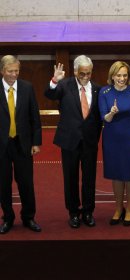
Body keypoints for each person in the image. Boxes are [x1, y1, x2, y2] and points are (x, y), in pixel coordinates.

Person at [44, 55, 102, 229]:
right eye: (82, 73)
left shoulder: (98, 89)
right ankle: (73, 213)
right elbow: (50, 94)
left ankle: (88, 211)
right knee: (70, 178)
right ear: (76, 71)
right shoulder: (64, 85)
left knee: (89, 177)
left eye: (89, 73)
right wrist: (55, 80)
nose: (85, 77)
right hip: (69, 140)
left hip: (90, 141)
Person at [99, 61, 130, 226]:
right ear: (112, 76)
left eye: (125, 75)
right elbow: (103, 118)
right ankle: (118, 209)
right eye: (118, 75)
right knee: (116, 175)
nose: (122, 78)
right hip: (111, 138)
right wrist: (111, 113)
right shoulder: (104, 92)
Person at [0, 55, 42, 234]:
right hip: (2, 145)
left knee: (26, 183)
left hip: (23, 143)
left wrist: (36, 142)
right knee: (3, 183)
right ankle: (8, 218)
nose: (14, 74)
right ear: (2, 71)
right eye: (10, 71)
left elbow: (35, 117)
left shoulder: (27, 87)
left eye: (16, 70)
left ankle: (28, 217)